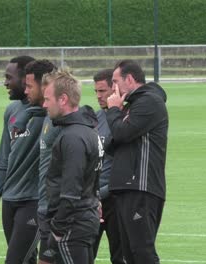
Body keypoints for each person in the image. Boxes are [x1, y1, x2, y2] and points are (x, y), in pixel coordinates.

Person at [106, 60, 168, 263]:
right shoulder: (131, 105)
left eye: (115, 81)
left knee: (142, 253)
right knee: (129, 255)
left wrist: (114, 110)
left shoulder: (149, 102)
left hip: (141, 188)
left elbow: (122, 133)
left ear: (130, 79)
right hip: (127, 187)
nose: (112, 87)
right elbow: (110, 143)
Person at [0, 55, 44, 264]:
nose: (5, 83)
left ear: (27, 79)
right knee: (27, 260)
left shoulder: (50, 113)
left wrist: (34, 112)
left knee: (15, 261)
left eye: (9, 77)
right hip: (10, 201)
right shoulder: (11, 111)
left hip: (33, 201)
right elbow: (3, 162)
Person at [43, 69, 102, 264]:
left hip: (71, 225)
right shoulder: (87, 131)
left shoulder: (72, 137)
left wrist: (57, 231)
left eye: (48, 99)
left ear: (63, 99)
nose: (44, 105)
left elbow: (71, 191)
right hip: (83, 220)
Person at [23, 60, 60, 264]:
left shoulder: (64, 125)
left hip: (59, 212)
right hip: (45, 208)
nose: (44, 103)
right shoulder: (47, 116)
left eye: (30, 86)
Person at [92, 69, 124, 263]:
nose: (98, 96)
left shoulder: (123, 119)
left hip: (115, 201)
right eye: (96, 91)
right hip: (93, 201)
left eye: (102, 91)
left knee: (119, 257)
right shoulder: (94, 119)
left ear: (115, 89)